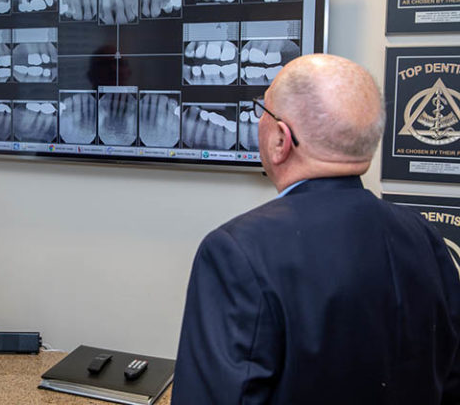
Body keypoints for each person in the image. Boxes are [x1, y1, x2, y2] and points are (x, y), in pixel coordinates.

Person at [172, 54, 460, 404]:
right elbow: (450, 378)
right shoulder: (423, 236)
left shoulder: (237, 252)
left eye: (264, 110)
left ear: (281, 139)